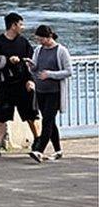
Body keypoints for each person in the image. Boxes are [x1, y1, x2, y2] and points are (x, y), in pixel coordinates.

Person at [0, 11, 36, 157]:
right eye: (20, 24)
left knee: (31, 115)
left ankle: (38, 141)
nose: (22, 27)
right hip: (6, 85)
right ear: (13, 25)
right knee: (0, 116)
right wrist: (7, 60)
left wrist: (31, 79)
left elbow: (32, 63)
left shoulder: (24, 42)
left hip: (23, 84)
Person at [28, 25, 73, 162]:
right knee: (50, 121)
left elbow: (68, 71)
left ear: (49, 37)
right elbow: (36, 68)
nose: (39, 42)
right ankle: (58, 150)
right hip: (41, 91)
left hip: (54, 92)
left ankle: (39, 151)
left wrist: (50, 74)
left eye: (41, 39)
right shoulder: (38, 50)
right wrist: (31, 66)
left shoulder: (61, 51)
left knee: (47, 120)